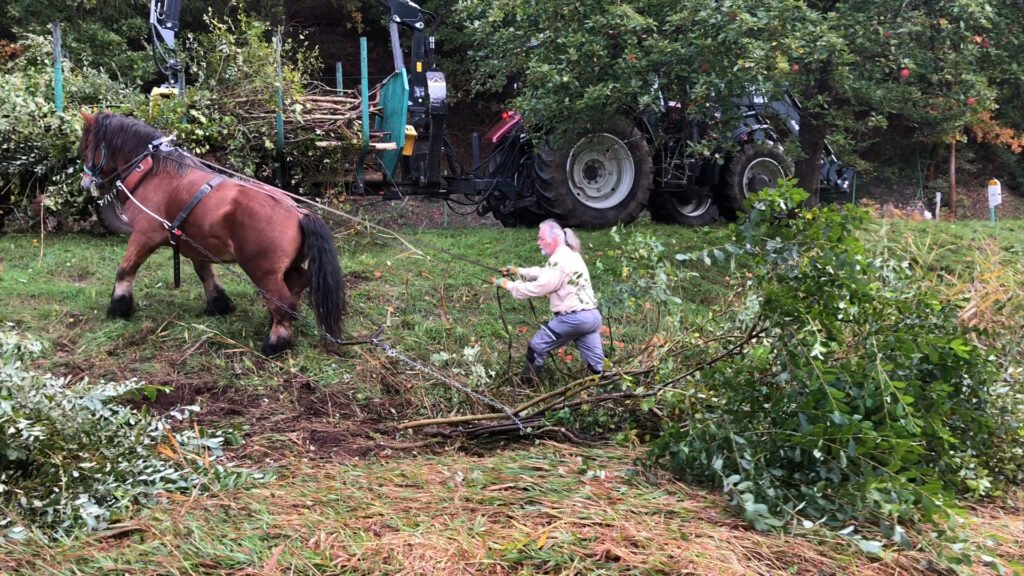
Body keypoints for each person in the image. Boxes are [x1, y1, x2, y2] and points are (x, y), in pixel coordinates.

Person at [491, 219, 605, 384]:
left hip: (573, 319)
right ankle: (611, 391)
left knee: (536, 346)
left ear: (554, 239)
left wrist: (510, 286)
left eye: (541, 238)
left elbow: (540, 287)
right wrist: (518, 271)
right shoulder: (569, 254)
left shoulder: (560, 260)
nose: (538, 242)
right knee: (598, 366)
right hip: (592, 317)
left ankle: (526, 387)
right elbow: (546, 272)